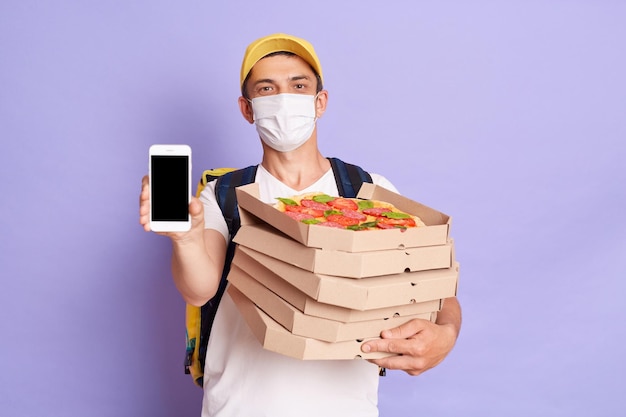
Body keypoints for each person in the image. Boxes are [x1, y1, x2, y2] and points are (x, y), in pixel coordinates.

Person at [139, 33, 462, 417]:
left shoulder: (368, 193)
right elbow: (199, 289)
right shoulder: (224, 195)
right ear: (247, 108)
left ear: (319, 101)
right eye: (267, 88)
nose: (284, 99)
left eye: (298, 85)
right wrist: (186, 238)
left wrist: (446, 334)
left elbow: (433, 290)